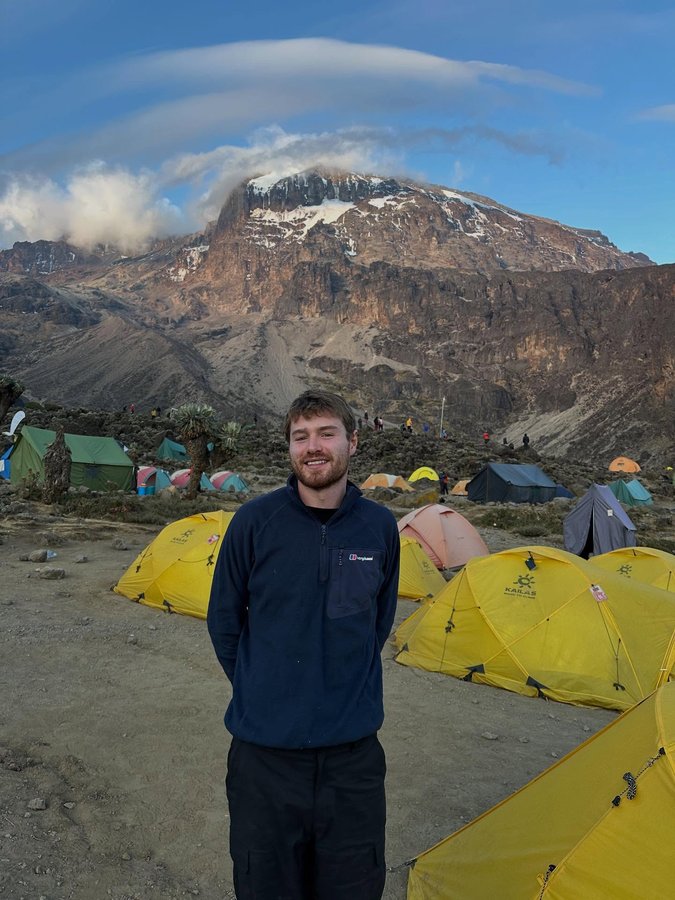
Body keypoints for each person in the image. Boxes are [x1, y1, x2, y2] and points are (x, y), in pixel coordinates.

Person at [207, 389, 400, 900]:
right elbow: (224, 621)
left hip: (352, 760)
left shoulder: (378, 526)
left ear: (352, 442)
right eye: (300, 437)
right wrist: (263, 684)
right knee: (265, 885)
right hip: (265, 760)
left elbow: (378, 620)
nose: (313, 447)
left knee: (354, 886)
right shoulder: (254, 521)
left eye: (325, 433)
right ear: (290, 448)